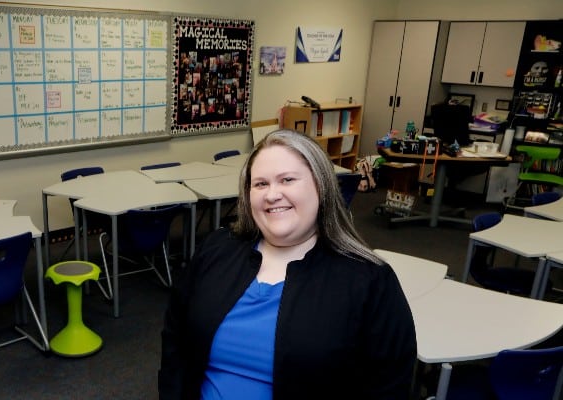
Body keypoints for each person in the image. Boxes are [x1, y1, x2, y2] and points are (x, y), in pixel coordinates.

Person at [158, 129, 417, 399]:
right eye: (260, 184)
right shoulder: (217, 249)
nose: (272, 195)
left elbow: (389, 386)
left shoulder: (369, 280)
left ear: (320, 185)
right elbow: (175, 339)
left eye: (287, 180)